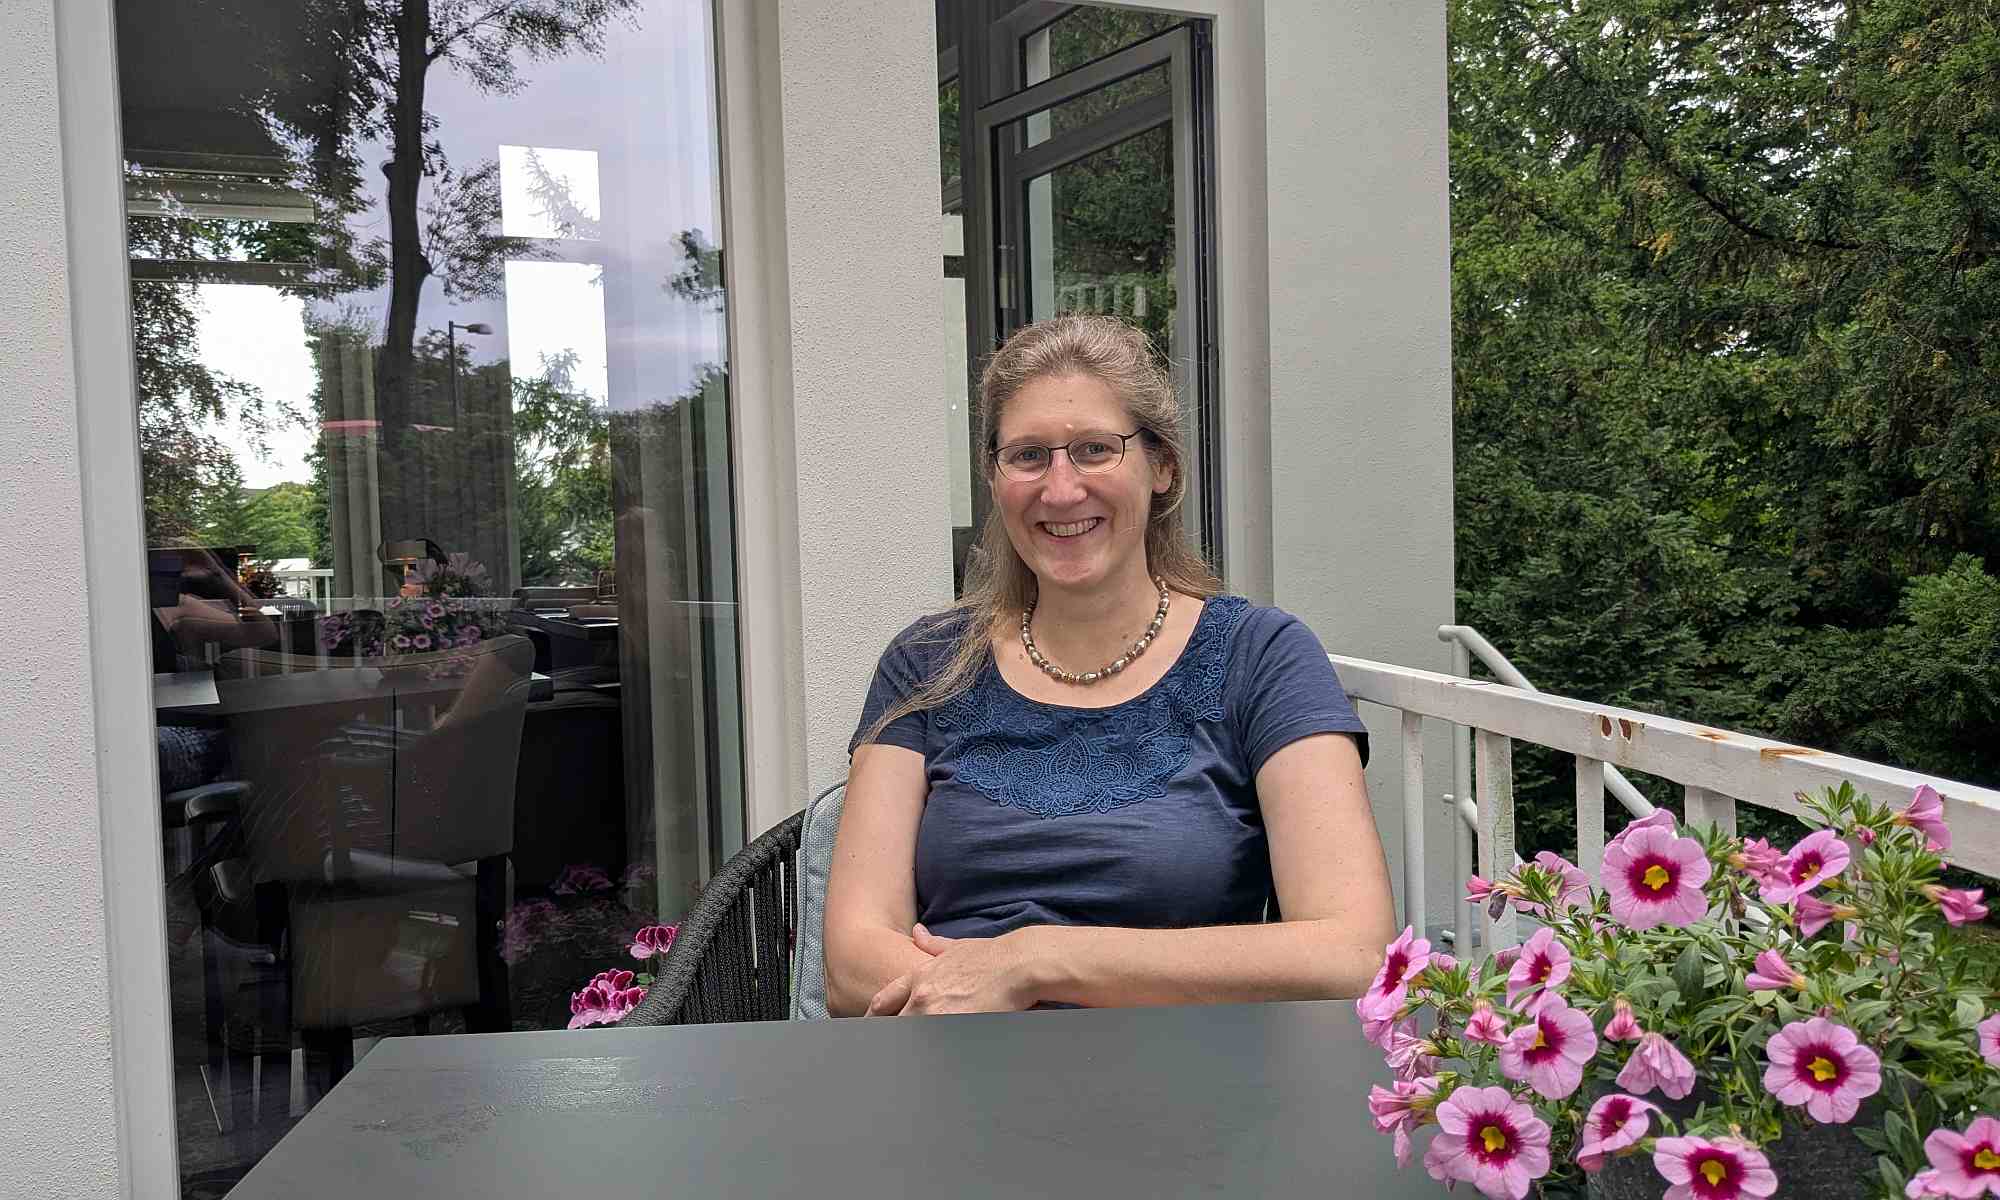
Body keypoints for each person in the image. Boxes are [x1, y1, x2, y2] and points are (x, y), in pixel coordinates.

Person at [825, 315, 1396, 1017]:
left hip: (1189, 1087)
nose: (1060, 489)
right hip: (958, 1069)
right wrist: (977, 995)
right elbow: (852, 963)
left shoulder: (1261, 656)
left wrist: (1033, 963)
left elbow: (1354, 953)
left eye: (1095, 449)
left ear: (1162, 466)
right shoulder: (927, 661)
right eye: (1028, 456)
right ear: (995, 478)